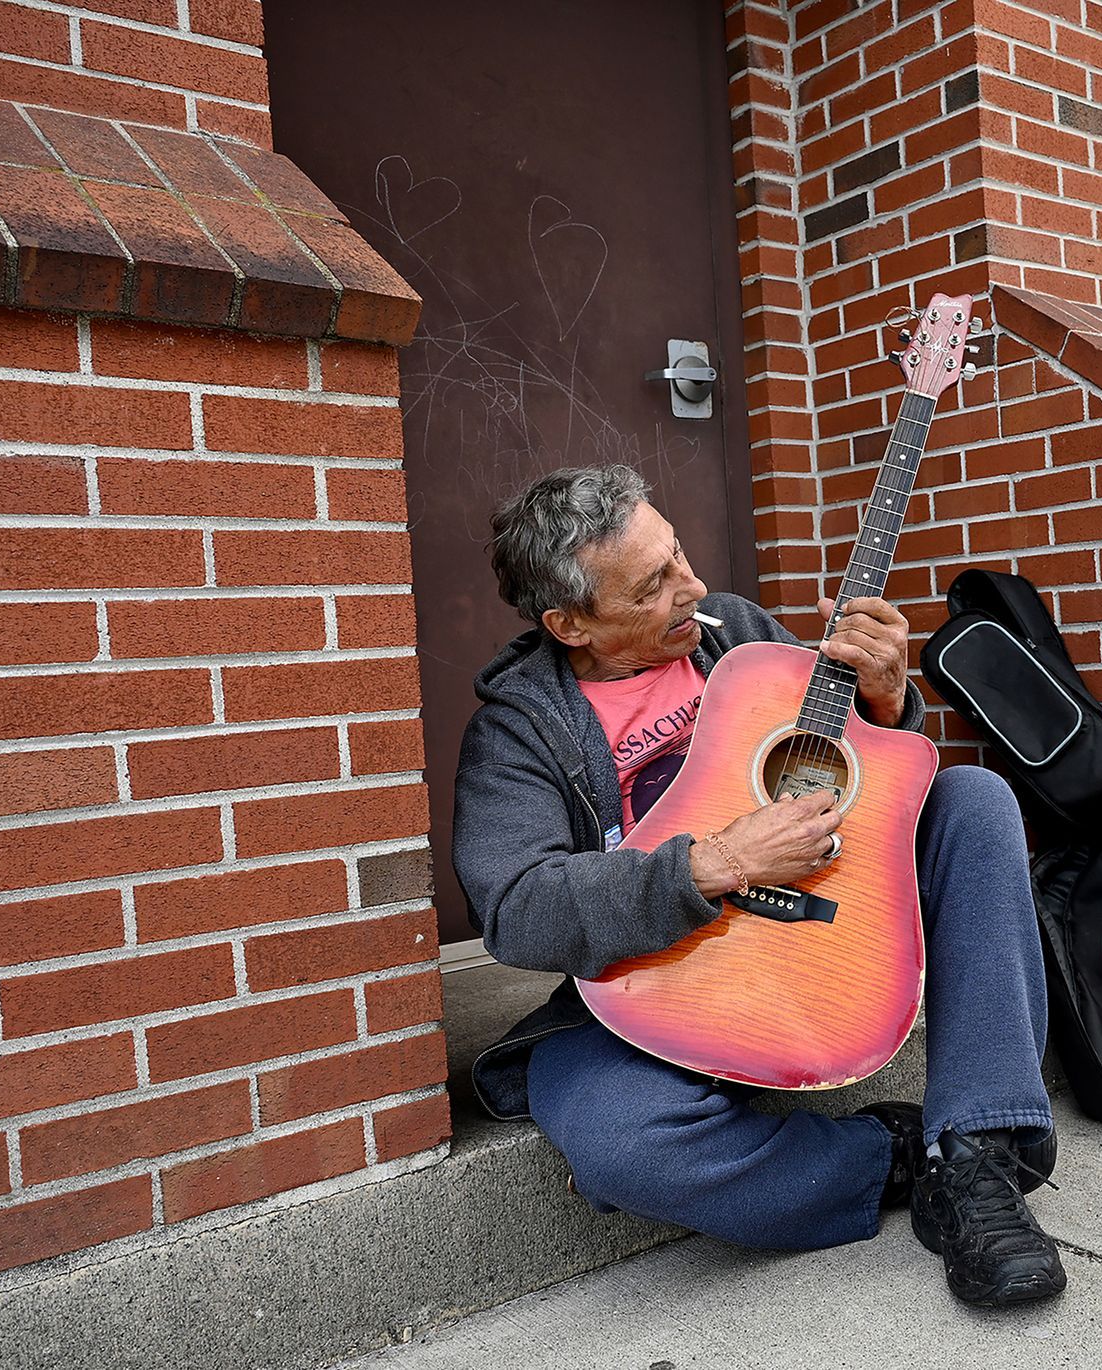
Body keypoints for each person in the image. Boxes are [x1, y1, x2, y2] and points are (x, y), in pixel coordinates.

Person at [452, 463, 1067, 1307]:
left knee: (974, 799)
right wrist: (715, 862)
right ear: (570, 623)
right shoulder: (518, 732)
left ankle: (980, 1152)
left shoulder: (734, 633)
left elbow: (855, 766)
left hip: (818, 931)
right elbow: (518, 909)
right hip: (653, 985)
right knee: (620, 1144)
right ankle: (893, 1155)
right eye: (652, 586)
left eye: (678, 554)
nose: (692, 587)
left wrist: (888, 702)